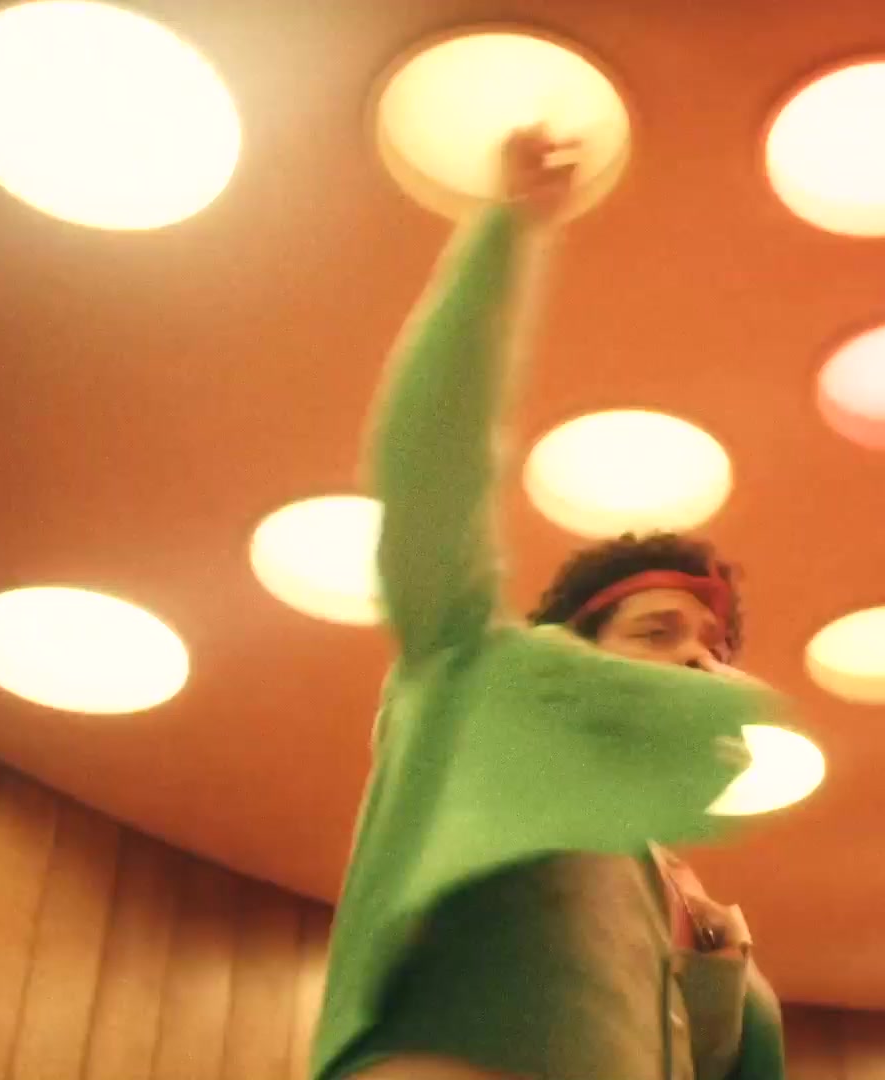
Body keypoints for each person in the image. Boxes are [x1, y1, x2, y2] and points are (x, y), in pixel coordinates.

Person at [307, 127, 795, 1080]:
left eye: (713, 648)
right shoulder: (472, 677)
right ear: (569, 648)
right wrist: (506, 233)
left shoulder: (698, 924)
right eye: (658, 630)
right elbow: (433, 464)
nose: (699, 660)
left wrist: (724, 978)